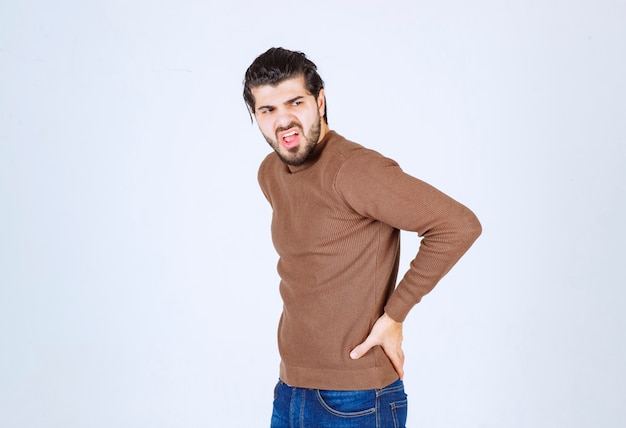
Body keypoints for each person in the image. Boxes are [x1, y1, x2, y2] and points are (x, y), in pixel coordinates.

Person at [243, 47, 482, 428]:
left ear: (320, 102)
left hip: (354, 398)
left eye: (295, 102)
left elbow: (457, 225)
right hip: (289, 388)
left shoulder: (354, 169)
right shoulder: (270, 173)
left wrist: (395, 315)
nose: (283, 121)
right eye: (267, 110)